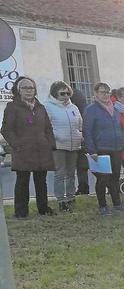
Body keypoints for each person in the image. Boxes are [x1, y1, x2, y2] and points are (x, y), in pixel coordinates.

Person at [1, 76, 56, 218]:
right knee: (22, 182)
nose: (28, 90)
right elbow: (6, 129)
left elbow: (48, 128)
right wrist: (17, 145)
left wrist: (49, 143)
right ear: (18, 90)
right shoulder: (12, 107)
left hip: (41, 150)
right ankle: (21, 212)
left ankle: (43, 208)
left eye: (31, 88)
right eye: (25, 88)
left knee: (41, 181)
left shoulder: (40, 107)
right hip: (23, 151)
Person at [83, 82, 124, 215]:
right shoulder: (91, 109)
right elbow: (87, 131)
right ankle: (102, 205)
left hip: (116, 148)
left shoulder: (115, 108)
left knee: (114, 177)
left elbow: (121, 126)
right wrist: (92, 150)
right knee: (103, 178)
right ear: (96, 93)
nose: (106, 95)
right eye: (102, 92)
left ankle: (117, 203)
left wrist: (123, 140)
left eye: (107, 92)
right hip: (101, 149)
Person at [44, 81, 82, 213]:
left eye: (67, 93)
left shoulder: (73, 108)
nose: (66, 96)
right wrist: (57, 136)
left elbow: (79, 124)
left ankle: (71, 197)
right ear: (55, 93)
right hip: (58, 145)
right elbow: (47, 127)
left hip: (73, 145)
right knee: (60, 173)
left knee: (71, 173)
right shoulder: (48, 107)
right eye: (62, 93)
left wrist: (79, 135)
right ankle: (61, 200)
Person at [70, 87, 90, 195]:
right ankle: (84, 187)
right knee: (82, 167)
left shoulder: (73, 110)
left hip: (77, 140)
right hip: (84, 140)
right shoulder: (85, 109)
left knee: (77, 167)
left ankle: (81, 188)